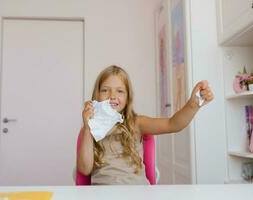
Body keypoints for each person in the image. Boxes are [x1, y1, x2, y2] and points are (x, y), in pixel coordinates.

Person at [77, 65, 214, 185]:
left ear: (127, 97)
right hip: (103, 195)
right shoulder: (90, 129)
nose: (112, 95)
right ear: (97, 95)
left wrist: (192, 105)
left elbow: (172, 124)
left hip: (138, 193)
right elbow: (84, 169)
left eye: (120, 91)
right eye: (105, 90)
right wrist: (88, 128)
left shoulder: (136, 123)